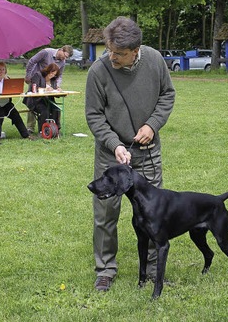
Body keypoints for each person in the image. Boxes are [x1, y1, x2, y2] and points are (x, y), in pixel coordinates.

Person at [85, 16, 175, 291]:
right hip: (110, 155)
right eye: (109, 50)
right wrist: (115, 144)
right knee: (105, 213)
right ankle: (105, 270)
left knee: (152, 213)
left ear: (137, 50)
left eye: (120, 54)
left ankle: (150, 269)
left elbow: (167, 95)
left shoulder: (155, 60)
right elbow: (94, 115)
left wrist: (152, 125)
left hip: (147, 151)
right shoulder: (98, 72)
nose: (112, 57)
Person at [0, 61, 36, 143]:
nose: (1, 71)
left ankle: (26, 134)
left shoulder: (8, 79)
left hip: (5, 103)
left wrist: (16, 90)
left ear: (5, 71)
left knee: (15, 114)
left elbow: (12, 91)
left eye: (3, 69)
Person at [24, 45, 73, 132]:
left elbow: (59, 75)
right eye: (64, 56)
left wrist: (56, 86)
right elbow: (32, 61)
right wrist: (28, 76)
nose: (64, 58)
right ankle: (30, 127)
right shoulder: (46, 52)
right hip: (36, 80)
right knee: (33, 102)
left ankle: (53, 127)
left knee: (52, 106)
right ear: (61, 50)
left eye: (67, 57)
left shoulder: (62, 62)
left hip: (49, 83)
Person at [24, 63, 62, 134]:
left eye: (54, 74)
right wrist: (45, 89)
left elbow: (55, 91)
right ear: (48, 71)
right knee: (44, 110)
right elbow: (34, 88)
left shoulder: (53, 79)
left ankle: (55, 129)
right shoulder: (38, 75)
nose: (52, 75)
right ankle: (42, 131)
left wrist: (58, 90)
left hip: (48, 100)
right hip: (36, 100)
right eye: (52, 73)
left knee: (56, 109)